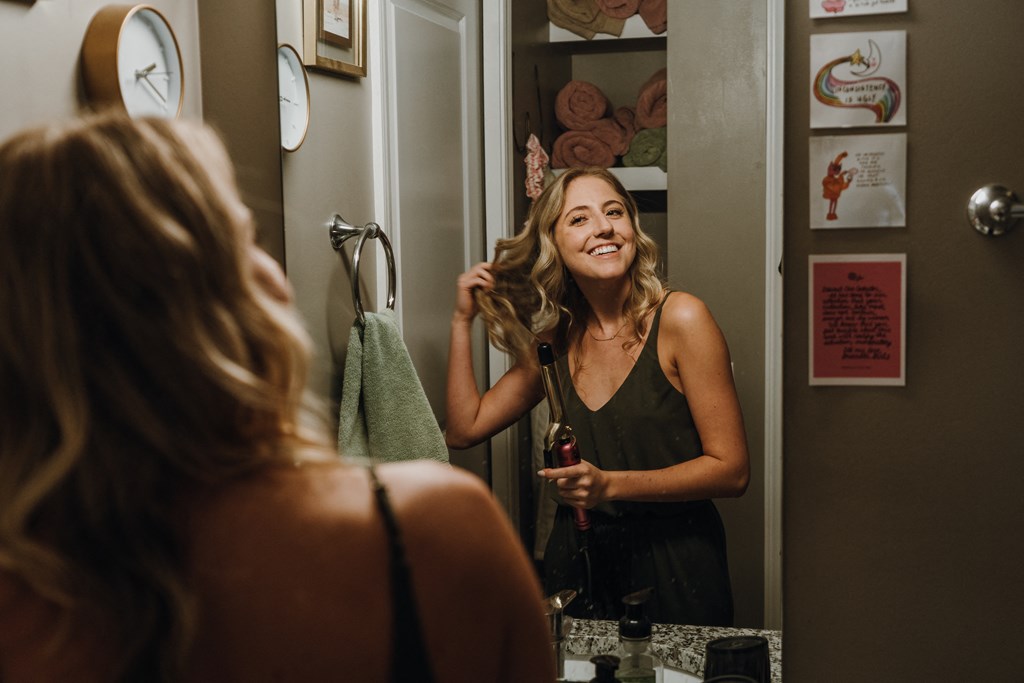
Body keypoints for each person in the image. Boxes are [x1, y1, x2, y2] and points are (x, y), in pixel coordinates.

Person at [0, 112, 553, 682]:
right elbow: (464, 427)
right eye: (244, 242)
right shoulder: (434, 532)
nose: (275, 274)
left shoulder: (21, 608)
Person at [446, 167, 750, 626]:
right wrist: (460, 322)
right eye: (579, 218)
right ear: (553, 244)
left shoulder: (682, 320)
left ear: (632, 228)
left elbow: (732, 471)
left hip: (676, 563)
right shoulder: (555, 341)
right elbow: (464, 430)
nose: (604, 227)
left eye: (614, 212)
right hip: (580, 562)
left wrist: (608, 485)